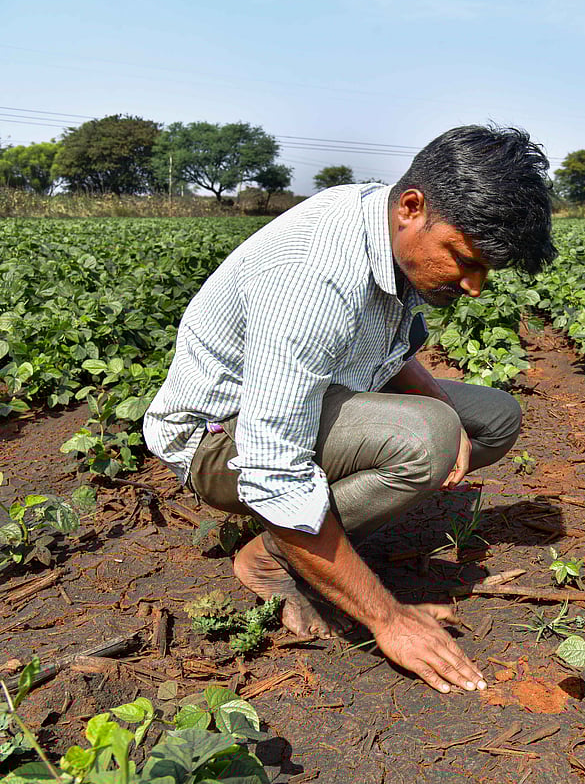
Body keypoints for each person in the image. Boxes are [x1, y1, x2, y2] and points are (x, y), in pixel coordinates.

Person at [144, 125, 557, 694]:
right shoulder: (311, 279)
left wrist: (441, 403)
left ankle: (323, 539)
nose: (475, 285)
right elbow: (272, 465)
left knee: (491, 419)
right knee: (428, 438)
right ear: (413, 207)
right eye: (464, 259)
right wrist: (389, 619)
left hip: (316, 395)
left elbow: (389, 349)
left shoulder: (386, 223)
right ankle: (270, 555)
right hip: (221, 437)